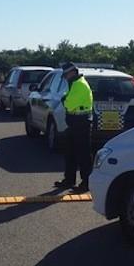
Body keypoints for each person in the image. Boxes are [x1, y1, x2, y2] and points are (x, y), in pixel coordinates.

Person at [54, 62, 94, 192]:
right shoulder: (75, 83)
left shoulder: (79, 85)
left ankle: (86, 182)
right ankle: (69, 180)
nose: (65, 78)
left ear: (72, 72)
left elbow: (68, 104)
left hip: (81, 122)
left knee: (83, 154)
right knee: (70, 153)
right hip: (75, 122)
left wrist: (65, 99)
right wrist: (66, 99)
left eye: (66, 75)